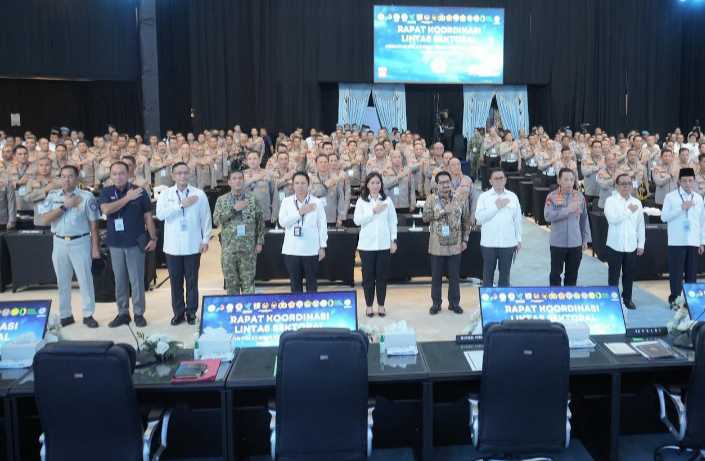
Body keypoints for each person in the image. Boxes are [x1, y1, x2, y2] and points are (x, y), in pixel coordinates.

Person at [38, 165, 101, 327]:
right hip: (59, 242)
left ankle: (88, 314)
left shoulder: (87, 196)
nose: (66, 180)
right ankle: (66, 315)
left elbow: (94, 224)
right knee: (62, 281)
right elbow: (44, 219)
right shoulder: (52, 196)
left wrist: (95, 248)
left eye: (70, 176)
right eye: (63, 176)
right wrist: (65, 206)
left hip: (81, 242)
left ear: (77, 178)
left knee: (85, 280)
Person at [99, 161, 157, 328]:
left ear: (128, 174)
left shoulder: (139, 192)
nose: (118, 177)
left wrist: (153, 238)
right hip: (115, 244)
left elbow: (148, 217)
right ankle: (123, 313)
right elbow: (106, 210)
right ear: (110, 176)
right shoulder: (106, 192)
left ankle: (139, 313)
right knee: (120, 280)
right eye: (115, 174)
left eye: (121, 173)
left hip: (135, 243)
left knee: (137, 280)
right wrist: (127, 198)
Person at [156, 162, 212, 325]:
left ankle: (191, 312)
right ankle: (178, 313)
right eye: (179, 173)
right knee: (175, 282)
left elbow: (206, 218)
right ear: (173, 176)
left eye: (185, 173)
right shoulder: (166, 194)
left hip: (193, 245)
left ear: (189, 174)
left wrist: (205, 239)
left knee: (192, 282)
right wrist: (180, 205)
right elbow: (160, 215)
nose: (182, 176)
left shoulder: (199, 194)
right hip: (172, 247)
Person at [422, 171, 472, 315]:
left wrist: (465, 240)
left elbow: (466, 220)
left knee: (454, 277)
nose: (445, 185)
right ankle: (436, 304)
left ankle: (454, 303)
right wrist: (443, 211)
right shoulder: (431, 199)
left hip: (455, 245)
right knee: (436, 277)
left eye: (447, 182)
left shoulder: (459, 198)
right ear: (437, 185)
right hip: (437, 246)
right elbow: (425, 217)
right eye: (442, 183)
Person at [213, 169, 265, 294]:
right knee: (232, 285)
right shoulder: (222, 200)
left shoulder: (252, 199)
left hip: (248, 249)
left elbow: (260, 221)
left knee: (249, 284)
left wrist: (259, 242)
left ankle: (248, 306)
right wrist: (233, 209)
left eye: (240, 178)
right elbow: (216, 221)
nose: (238, 181)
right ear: (229, 182)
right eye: (234, 178)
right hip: (229, 249)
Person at [353, 172, 398, 317]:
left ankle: (381, 305)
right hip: (366, 246)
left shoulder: (387, 201)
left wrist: (393, 240)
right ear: (367, 185)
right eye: (372, 183)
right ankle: (369, 305)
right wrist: (373, 212)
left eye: (378, 183)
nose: (375, 186)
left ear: (381, 185)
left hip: (384, 245)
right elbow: (357, 221)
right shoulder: (361, 201)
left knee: (382, 277)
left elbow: (393, 221)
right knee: (368, 278)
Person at [661, 167, 705, 309]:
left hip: (693, 241)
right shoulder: (671, 197)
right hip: (676, 241)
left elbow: (702, 222)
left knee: (692, 274)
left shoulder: (698, 198)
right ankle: (675, 299)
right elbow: (664, 217)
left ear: (694, 181)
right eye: (684, 181)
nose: (687, 183)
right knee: (676, 273)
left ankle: (690, 301)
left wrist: (702, 242)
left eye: (690, 180)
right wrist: (681, 208)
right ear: (679, 181)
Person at [278, 172, 327, 292]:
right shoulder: (286, 201)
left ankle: (312, 304)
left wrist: (322, 246)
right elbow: (283, 222)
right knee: (295, 284)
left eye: (303, 183)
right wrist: (300, 212)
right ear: (292, 185)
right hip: (291, 250)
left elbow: (322, 226)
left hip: (311, 250)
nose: (300, 186)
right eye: (297, 183)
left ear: (308, 185)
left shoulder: (316, 202)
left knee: (312, 283)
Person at [604, 174, 645, 310]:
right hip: (615, 245)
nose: (626, 186)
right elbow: (612, 219)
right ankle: (612, 300)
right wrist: (628, 211)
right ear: (617, 186)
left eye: (628, 183)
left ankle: (627, 299)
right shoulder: (611, 201)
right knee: (613, 275)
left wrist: (641, 244)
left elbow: (640, 225)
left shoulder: (637, 202)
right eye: (622, 183)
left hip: (631, 245)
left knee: (629, 274)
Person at [475, 169, 523, 287]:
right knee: (487, 277)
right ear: (490, 181)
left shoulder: (513, 197)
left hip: (508, 243)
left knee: (505, 277)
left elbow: (517, 220)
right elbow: (479, 218)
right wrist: (496, 207)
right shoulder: (484, 197)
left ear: (505, 180)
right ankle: (488, 299)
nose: (499, 181)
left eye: (501, 178)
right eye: (496, 178)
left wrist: (518, 239)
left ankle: (503, 299)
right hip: (488, 243)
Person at [543, 168, 591, 286]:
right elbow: (547, 216)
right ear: (559, 180)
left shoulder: (579, 197)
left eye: (571, 179)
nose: (569, 182)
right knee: (555, 275)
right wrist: (567, 210)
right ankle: (555, 296)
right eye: (566, 179)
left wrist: (585, 239)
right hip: (557, 243)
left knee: (572, 276)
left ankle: (569, 296)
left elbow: (584, 219)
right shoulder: (552, 196)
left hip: (575, 243)